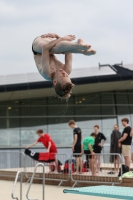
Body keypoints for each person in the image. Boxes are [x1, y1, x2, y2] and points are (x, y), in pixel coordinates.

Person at [32, 33, 96, 98]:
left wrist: (61, 38)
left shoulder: (47, 73)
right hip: (50, 42)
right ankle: (82, 48)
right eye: (67, 75)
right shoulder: (67, 70)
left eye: (62, 76)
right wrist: (57, 36)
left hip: (38, 46)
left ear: (55, 81)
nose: (64, 72)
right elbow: (68, 50)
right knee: (61, 50)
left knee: (55, 49)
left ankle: (82, 50)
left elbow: (45, 48)